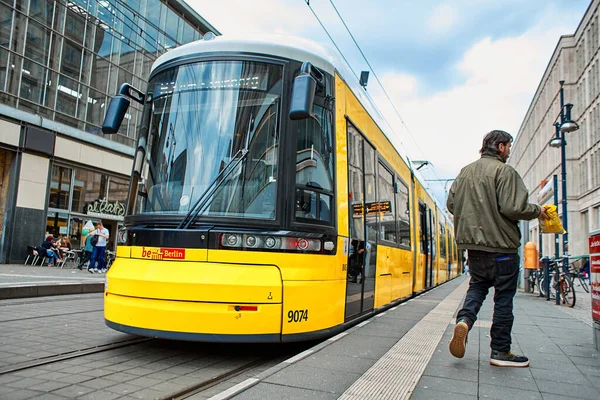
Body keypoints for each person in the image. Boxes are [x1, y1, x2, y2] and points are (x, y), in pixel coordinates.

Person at [446, 130, 549, 368]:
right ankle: (500, 351)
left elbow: (452, 204)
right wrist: (537, 210)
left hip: (474, 250)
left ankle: (464, 320)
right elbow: (514, 207)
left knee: (477, 288)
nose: (509, 152)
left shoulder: (464, 173)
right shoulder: (504, 172)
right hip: (502, 248)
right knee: (503, 299)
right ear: (501, 147)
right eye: (509, 147)